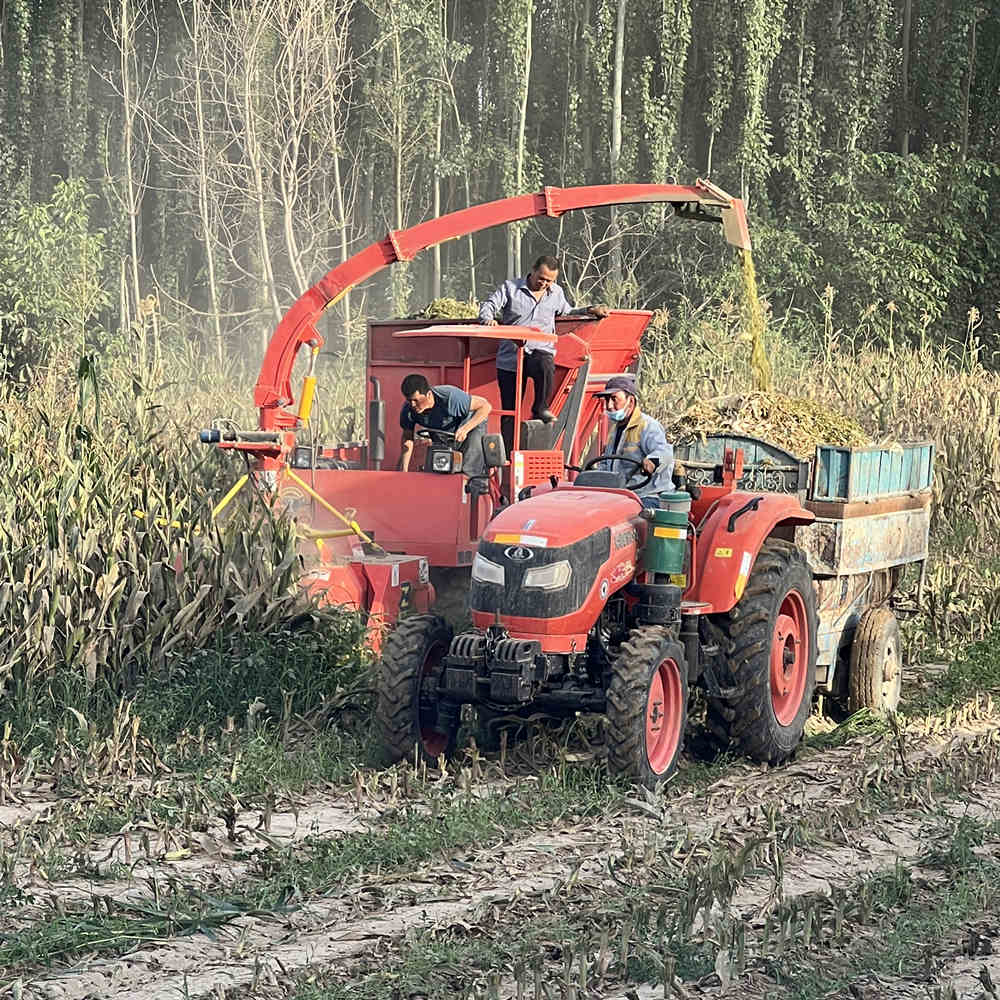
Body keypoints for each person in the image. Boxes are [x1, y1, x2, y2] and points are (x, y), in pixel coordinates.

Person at [478, 255, 608, 445]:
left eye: (549, 280)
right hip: (511, 359)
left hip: (538, 352)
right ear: (533, 270)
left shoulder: (556, 293)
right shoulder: (510, 288)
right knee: (510, 411)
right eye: (542, 278)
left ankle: (540, 407)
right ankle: (506, 454)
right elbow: (489, 306)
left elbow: (567, 311)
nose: (544, 283)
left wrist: (589, 310)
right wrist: (488, 319)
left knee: (545, 361)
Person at [398, 373, 492, 490]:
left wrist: (465, 429)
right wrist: (403, 472)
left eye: (416, 400)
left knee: (470, 464)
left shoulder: (450, 397)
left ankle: (472, 489)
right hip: (443, 435)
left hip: (469, 427)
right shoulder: (408, 410)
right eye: (409, 400)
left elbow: (485, 406)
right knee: (436, 467)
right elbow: (407, 440)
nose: (412, 404)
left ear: (428, 394)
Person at [593, 375, 673, 502]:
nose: (608, 405)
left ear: (630, 400)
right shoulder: (614, 430)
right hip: (621, 495)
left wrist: (653, 461)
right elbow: (607, 463)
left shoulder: (648, 426)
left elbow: (664, 452)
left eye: (614, 399)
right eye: (607, 399)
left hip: (648, 496)